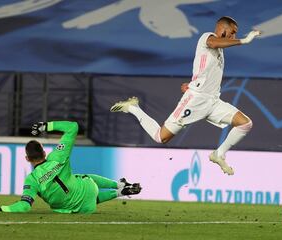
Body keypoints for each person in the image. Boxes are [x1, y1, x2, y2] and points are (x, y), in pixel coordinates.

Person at [110, 16, 261, 176]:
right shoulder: (207, 38)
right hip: (195, 101)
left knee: (245, 124)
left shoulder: (220, 51)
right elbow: (213, 43)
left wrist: (191, 84)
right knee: (160, 137)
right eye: (232, 33)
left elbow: (205, 72)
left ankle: (218, 154)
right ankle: (133, 107)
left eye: (236, 35)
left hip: (213, 102)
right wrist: (243, 41)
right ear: (222, 29)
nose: (234, 37)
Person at [0, 121, 141, 213]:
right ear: (44, 152)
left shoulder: (32, 180)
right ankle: (119, 186)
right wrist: (46, 126)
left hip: (78, 209)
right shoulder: (58, 156)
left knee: (78, 197)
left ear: (27, 159)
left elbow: (24, 206)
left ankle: (120, 191)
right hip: (87, 190)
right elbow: (73, 127)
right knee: (85, 180)